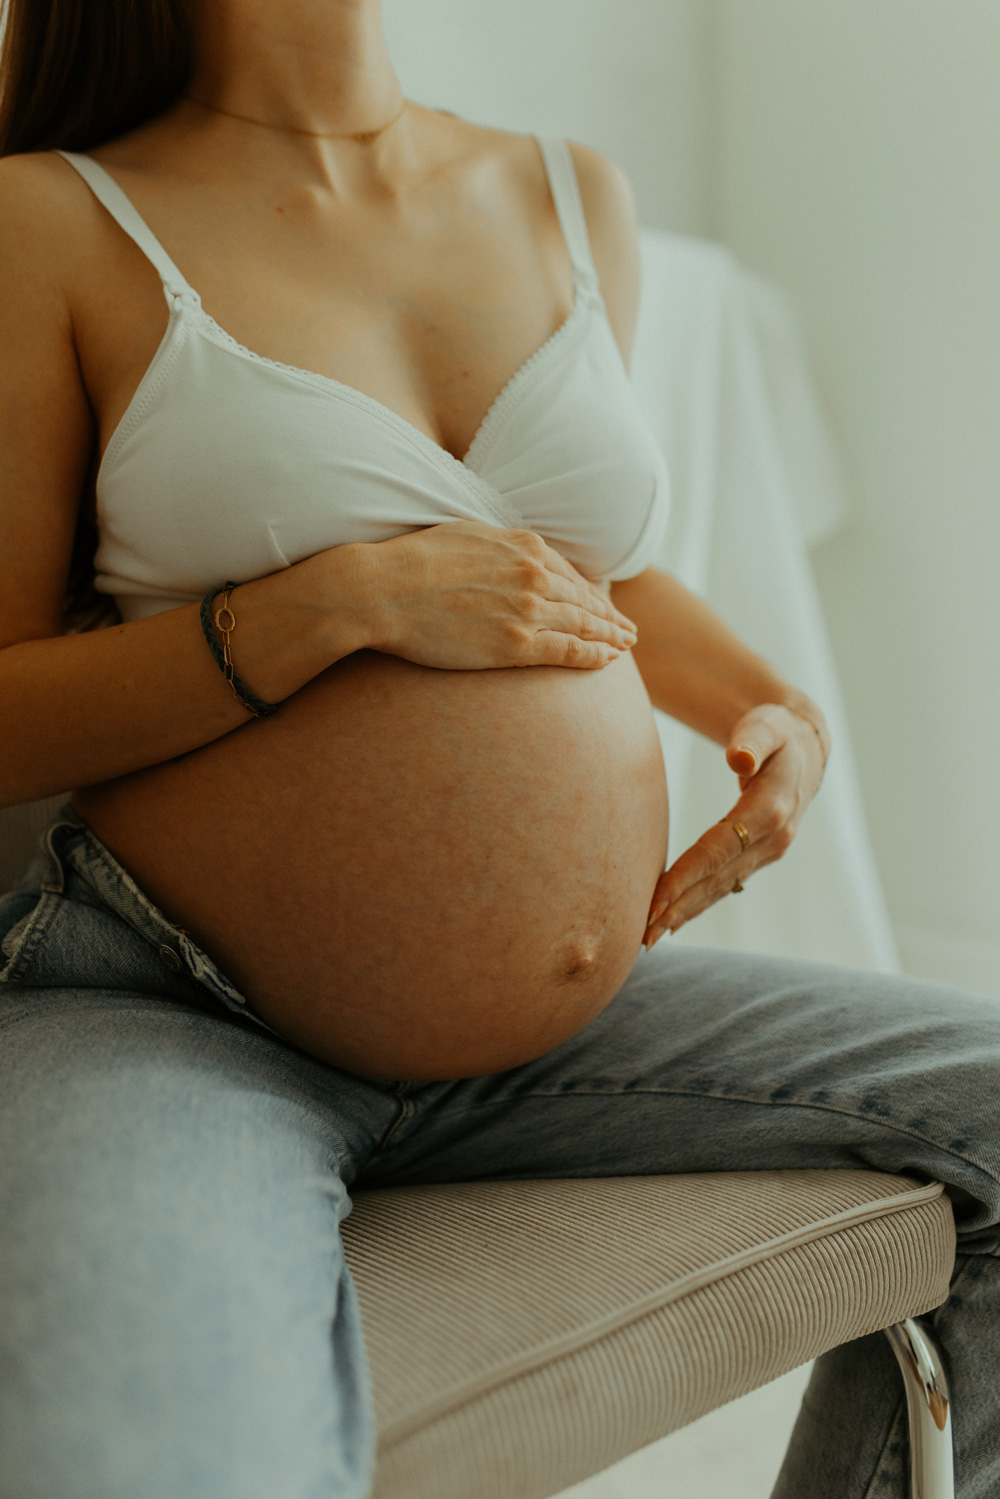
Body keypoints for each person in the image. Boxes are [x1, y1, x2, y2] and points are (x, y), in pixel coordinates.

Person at [0, 0, 996, 1494]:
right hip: (169, 1011)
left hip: (560, 1037)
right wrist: (321, 607)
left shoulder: (568, 188)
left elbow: (578, 571)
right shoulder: (48, 220)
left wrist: (769, 709)